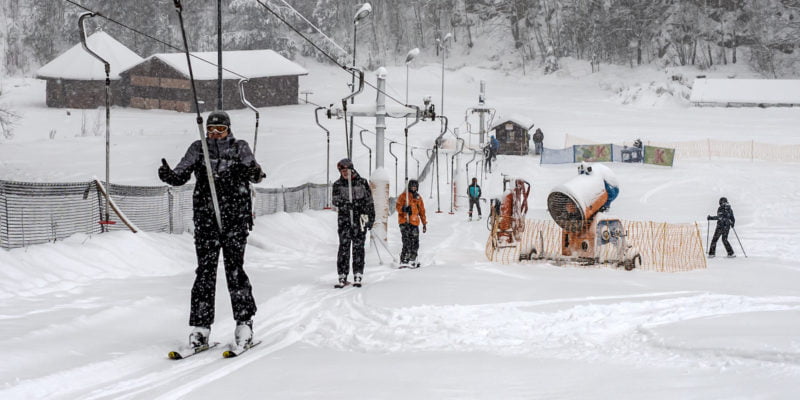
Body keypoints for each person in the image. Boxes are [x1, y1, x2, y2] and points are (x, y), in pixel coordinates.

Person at [158, 110, 265, 350]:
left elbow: (257, 174)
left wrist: (250, 172)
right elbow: (181, 175)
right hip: (207, 220)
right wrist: (169, 176)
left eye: (220, 130)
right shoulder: (198, 148)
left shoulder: (240, 147)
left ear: (228, 129)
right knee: (204, 272)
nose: (215, 134)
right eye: (211, 130)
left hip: (235, 219)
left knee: (234, 270)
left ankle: (244, 323)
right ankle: (201, 327)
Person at [332, 158, 375, 287]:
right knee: (344, 247)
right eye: (342, 171)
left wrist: (370, 218)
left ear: (351, 169)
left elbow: (369, 202)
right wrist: (346, 205)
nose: (344, 173)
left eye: (346, 170)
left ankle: (358, 274)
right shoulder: (338, 184)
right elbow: (335, 200)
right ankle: (342, 276)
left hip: (359, 220)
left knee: (358, 248)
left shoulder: (362, 183)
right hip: (344, 220)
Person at [395, 179, 427, 267]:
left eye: (415, 187)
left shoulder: (418, 198)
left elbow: (422, 211)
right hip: (404, 222)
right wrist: (404, 209)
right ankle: (404, 258)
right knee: (407, 241)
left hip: (414, 222)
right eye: (412, 186)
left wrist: (424, 223)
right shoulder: (403, 196)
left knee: (415, 241)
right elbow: (397, 207)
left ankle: (412, 258)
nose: (413, 188)